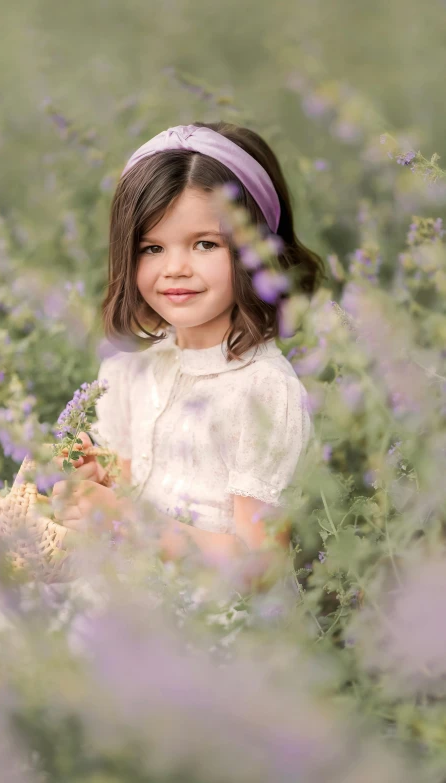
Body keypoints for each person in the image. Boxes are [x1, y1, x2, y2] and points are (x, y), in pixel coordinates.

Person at [50, 121, 324, 583]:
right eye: (152, 247)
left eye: (204, 244)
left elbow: (261, 568)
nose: (175, 268)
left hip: (209, 623)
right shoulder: (132, 364)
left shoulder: (264, 390)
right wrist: (102, 477)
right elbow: (149, 480)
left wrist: (126, 522)